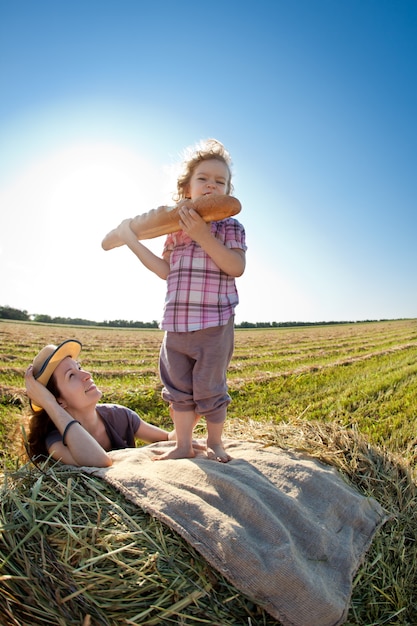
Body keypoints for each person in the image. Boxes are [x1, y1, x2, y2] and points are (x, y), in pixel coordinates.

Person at [114, 139, 247, 462]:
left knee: (210, 388)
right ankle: (184, 445)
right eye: (203, 179)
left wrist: (203, 234)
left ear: (228, 191)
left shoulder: (231, 227)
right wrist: (131, 241)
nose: (211, 185)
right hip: (175, 324)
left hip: (214, 324)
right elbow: (165, 271)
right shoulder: (174, 230)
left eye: (220, 181)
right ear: (186, 188)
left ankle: (215, 443)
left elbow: (236, 267)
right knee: (179, 392)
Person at [24, 339, 182, 467]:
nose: (86, 375)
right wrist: (49, 403)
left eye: (80, 367)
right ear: (59, 400)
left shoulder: (119, 415)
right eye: (71, 375)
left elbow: (168, 441)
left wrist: (183, 421)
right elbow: (98, 462)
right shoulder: (57, 441)